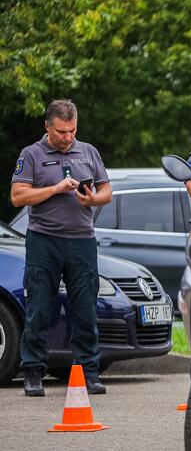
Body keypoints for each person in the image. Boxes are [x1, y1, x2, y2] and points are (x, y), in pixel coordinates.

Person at [10, 99, 113, 396]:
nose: (67, 138)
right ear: (47, 126)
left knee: (85, 309)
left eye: (72, 131)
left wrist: (92, 199)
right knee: (40, 307)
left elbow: (106, 191)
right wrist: (55, 189)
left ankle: (87, 373)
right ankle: (32, 373)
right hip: (44, 240)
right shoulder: (31, 154)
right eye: (61, 132)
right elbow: (18, 196)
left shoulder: (88, 151)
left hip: (82, 241)